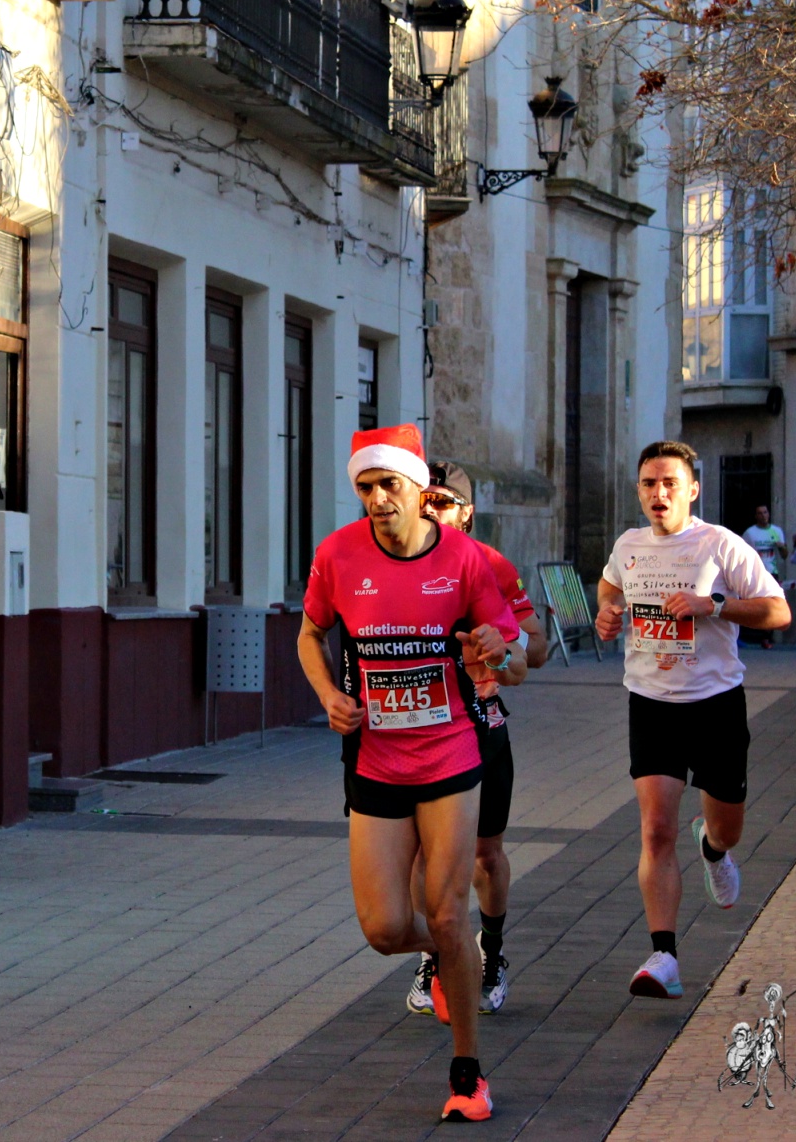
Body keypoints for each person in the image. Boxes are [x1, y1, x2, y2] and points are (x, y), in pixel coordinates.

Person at [298, 425, 526, 1122]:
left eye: (387, 486)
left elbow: (511, 647)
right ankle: (454, 948)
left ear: (419, 490)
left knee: (450, 906)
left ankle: (468, 1076)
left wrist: (497, 641)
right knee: (385, 927)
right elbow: (310, 633)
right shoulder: (337, 555)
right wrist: (328, 696)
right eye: (364, 487)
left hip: (453, 753)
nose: (375, 500)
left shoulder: (460, 557)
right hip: (376, 758)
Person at [594, 441, 789, 999]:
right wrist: (608, 612)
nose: (659, 494)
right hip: (651, 703)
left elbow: (778, 611)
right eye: (649, 484)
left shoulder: (721, 545)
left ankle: (714, 849)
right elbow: (611, 586)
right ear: (638, 490)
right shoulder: (628, 546)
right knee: (655, 828)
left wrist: (716, 606)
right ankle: (664, 955)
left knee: (726, 824)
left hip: (716, 704)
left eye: (670, 483)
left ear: (692, 489)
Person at [406, 462, 550, 1022]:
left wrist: (502, 646)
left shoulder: (489, 566)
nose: (429, 512)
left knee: (484, 856)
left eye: (442, 503)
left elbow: (535, 650)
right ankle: (435, 956)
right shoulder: (394, 564)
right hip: (418, 732)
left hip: (481, 725)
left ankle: (490, 951)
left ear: (465, 513)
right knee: (423, 856)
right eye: (424, 500)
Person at [741, 505, 788, 648]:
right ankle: (758, 634)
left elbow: (785, 555)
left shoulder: (776, 531)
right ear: (756, 516)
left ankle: (767, 637)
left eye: (765, 512)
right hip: (756, 572)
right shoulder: (750, 533)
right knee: (758, 603)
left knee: (772, 603)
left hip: (772, 572)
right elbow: (742, 553)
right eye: (760, 513)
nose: (763, 515)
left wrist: (781, 546)